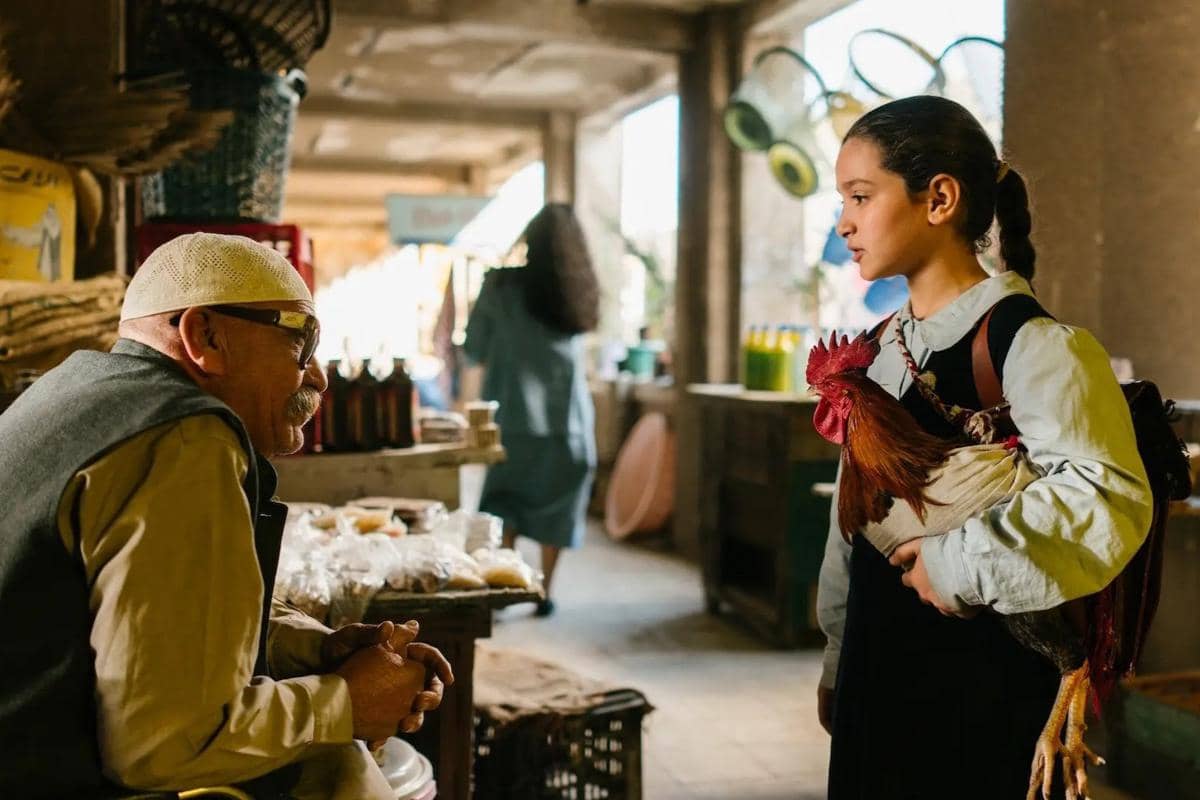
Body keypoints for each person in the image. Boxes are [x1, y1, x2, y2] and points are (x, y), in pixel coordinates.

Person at [0, 233, 453, 799]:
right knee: (337, 762)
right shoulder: (185, 440)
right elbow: (162, 744)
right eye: (301, 341)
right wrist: (347, 703)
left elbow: (152, 616)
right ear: (205, 337)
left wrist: (315, 648)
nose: (317, 377)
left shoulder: (71, 390)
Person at [814, 96, 1151, 799]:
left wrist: (953, 564)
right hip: (879, 673)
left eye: (861, 196)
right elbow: (850, 525)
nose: (844, 221)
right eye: (843, 199)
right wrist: (838, 652)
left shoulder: (1032, 346)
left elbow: (1105, 496)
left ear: (938, 199)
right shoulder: (877, 351)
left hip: (986, 687)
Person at [463, 203, 599, 617]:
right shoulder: (579, 292)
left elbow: (474, 349)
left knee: (504, 505)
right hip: (570, 424)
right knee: (560, 508)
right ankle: (543, 591)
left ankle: (507, 587)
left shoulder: (500, 286)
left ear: (530, 241)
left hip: (514, 421)